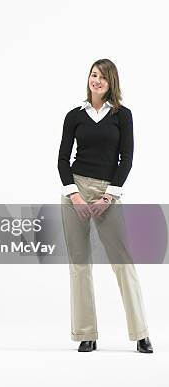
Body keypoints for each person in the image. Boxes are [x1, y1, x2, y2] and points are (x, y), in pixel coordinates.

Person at [57, 59, 152, 353]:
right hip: (76, 191)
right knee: (80, 264)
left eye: (103, 77)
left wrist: (108, 196)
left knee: (122, 262)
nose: (96, 81)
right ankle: (86, 334)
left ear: (112, 82)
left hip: (106, 194)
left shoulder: (122, 116)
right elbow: (62, 159)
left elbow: (127, 159)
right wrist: (74, 195)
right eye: (93, 75)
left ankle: (141, 334)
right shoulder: (74, 115)